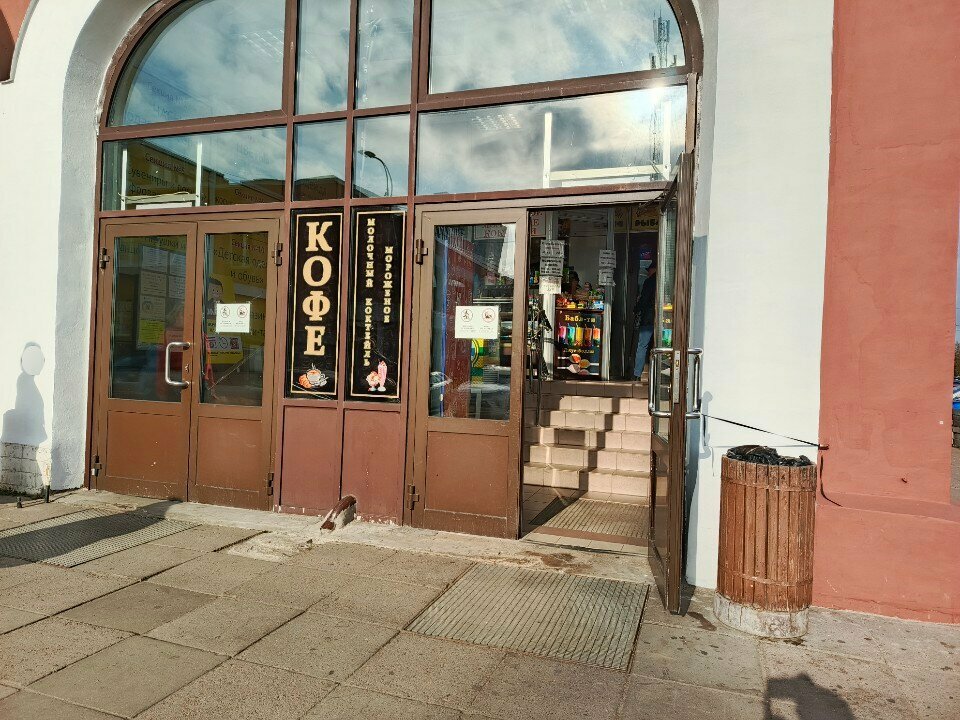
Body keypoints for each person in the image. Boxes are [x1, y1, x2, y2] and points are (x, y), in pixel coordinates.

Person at [633, 263, 657, 380]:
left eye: (649, 270)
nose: (648, 272)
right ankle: (659, 374)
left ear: (654, 269)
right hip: (662, 318)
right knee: (661, 346)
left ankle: (637, 374)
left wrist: (636, 309)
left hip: (648, 318)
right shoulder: (665, 281)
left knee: (642, 345)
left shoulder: (649, 281)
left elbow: (644, 299)